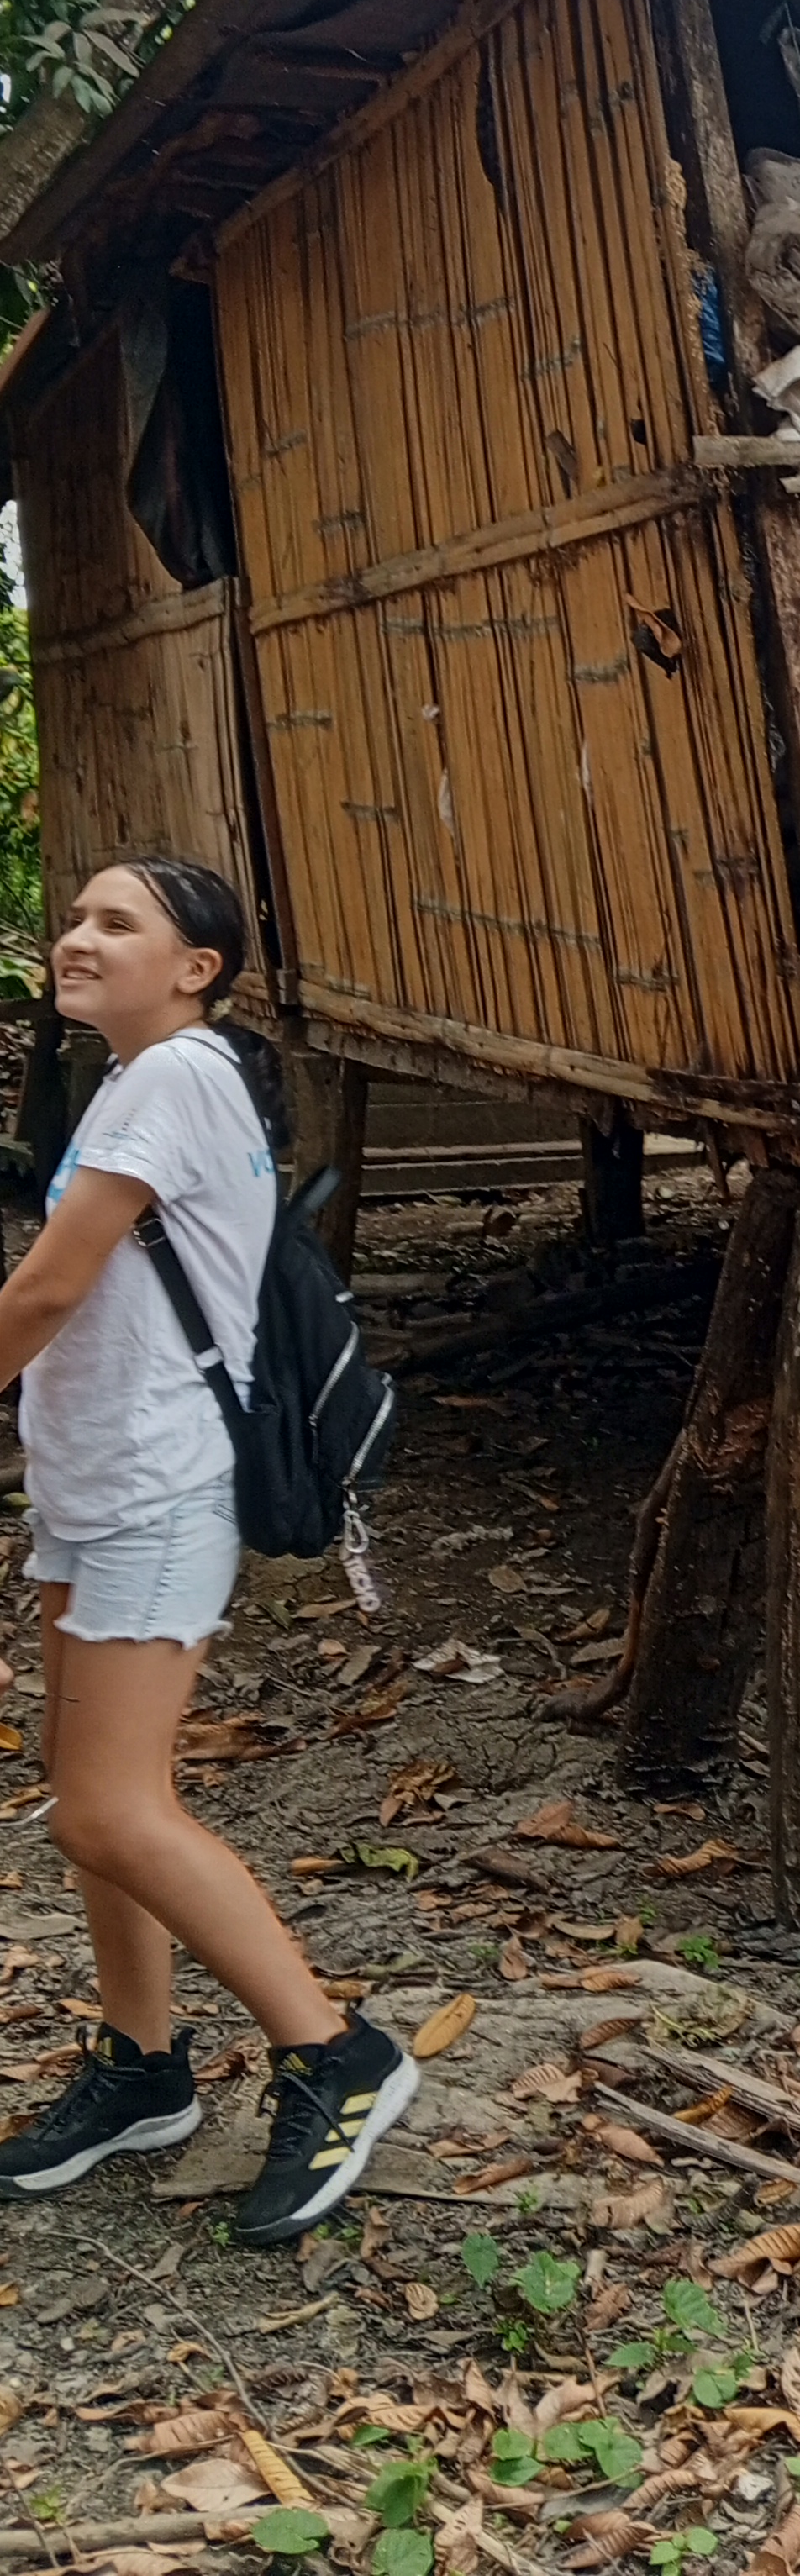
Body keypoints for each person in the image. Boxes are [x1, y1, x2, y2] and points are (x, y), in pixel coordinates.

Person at [0, 856, 415, 2235]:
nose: (77, 937)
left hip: (155, 1490)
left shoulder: (174, 1076)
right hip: (98, 1481)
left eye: (116, 923)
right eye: (75, 918)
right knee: (89, 1792)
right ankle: (142, 2066)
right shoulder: (148, 1078)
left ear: (197, 969)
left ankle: (336, 2052)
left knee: (106, 1810)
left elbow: (47, 1287)